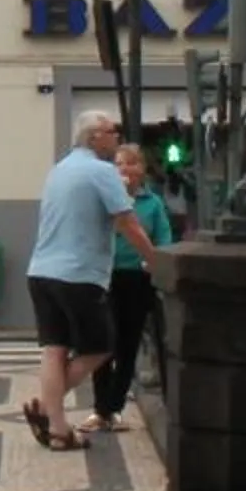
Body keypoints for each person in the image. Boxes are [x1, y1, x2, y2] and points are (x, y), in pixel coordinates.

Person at [25, 110, 159, 451]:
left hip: (41, 271)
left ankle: (57, 429)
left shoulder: (59, 169)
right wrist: (156, 260)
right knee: (101, 346)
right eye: (112, 131)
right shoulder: (101, 171)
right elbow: (127, 223)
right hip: (78, 274)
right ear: (95, 136)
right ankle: (47, 408)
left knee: (54, 349)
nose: (117, 137)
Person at [90, 144, 176, 432]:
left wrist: (155, 263)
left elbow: (163, 237)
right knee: (104, 343)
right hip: (107, 276)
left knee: (128, 344)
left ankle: (114, 408)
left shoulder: (152, 203)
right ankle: (99, 408)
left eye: (131, 163)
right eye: (119, 164)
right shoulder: (105, 200)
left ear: (142, 170)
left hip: (138, 279)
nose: (124, 169)